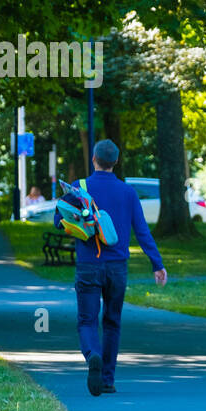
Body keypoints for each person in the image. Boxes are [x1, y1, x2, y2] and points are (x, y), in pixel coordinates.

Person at [55, 139, 168, 396]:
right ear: (116, 162)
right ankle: (107, 379)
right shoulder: (128, 192)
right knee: (112, 322)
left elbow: (58, 220)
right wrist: (157, 264)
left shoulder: (78, 188)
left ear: (94, 159)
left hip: (88, 265)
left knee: (86, 320)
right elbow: (142, 231)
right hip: (117, 267)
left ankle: (92, 354)